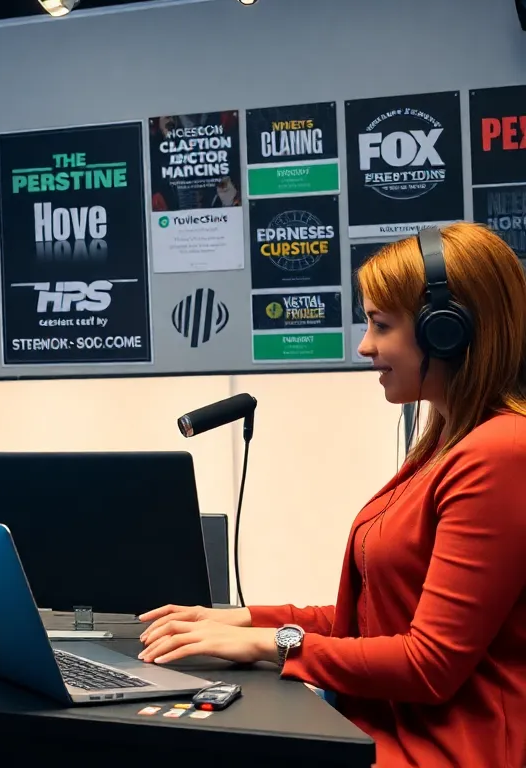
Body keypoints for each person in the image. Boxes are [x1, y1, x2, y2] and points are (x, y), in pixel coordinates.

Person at [138, 222, 526, 768]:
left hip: (445, 751)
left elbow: (429, 663)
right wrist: (244, 619)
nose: (365, 346)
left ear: (448, 332)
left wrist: (273, 645)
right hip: (381, 731)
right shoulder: (446, 442)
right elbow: (370, 623)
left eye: (381, 325)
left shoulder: (500, 452)